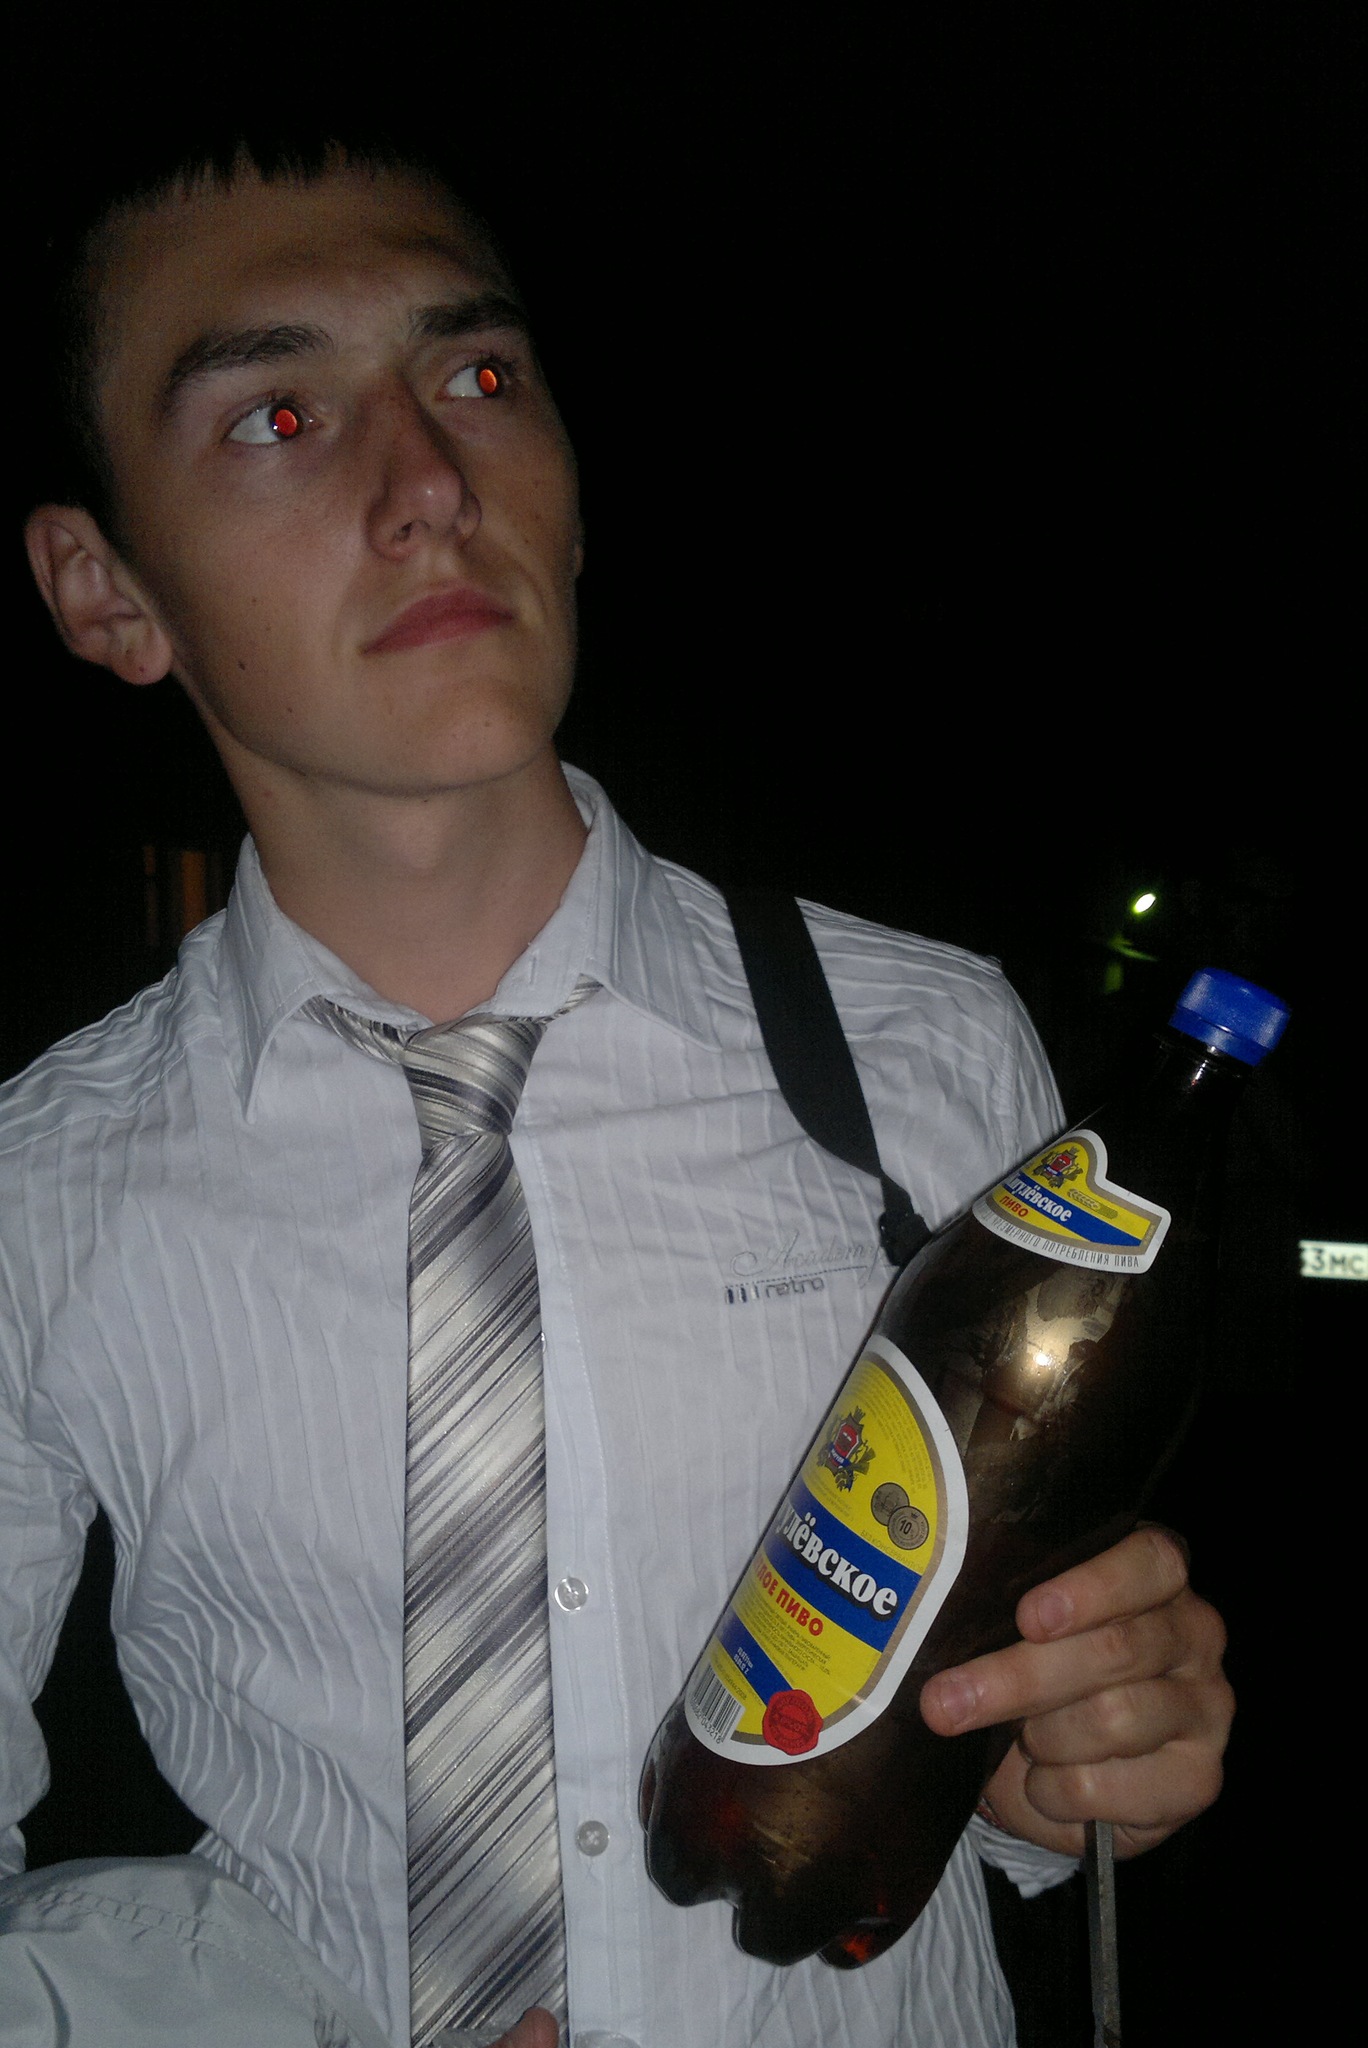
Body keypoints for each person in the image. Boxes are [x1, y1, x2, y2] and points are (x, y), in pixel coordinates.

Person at [1, 133, 1232, 2048]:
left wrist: (1059, 1764)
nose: (430, 481)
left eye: (480, 377)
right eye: (278, 417)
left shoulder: (923, 1047)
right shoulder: (36, 1185)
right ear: (104, 590)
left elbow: (1001, 1730)